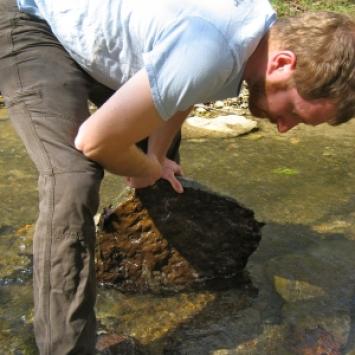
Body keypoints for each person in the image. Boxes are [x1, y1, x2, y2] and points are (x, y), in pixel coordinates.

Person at [0, 0, 354, 353]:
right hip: (31, 21)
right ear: (281, 64)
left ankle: (148, 268)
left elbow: (186, 88)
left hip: (85, 28)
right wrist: (146, 169)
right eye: (292, 112)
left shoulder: (254, 34)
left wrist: (156, 155)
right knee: (73, 177)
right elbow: (94, 141)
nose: (283, 128)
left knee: (160, 146)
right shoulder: (216, 48)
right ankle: (66, 347)